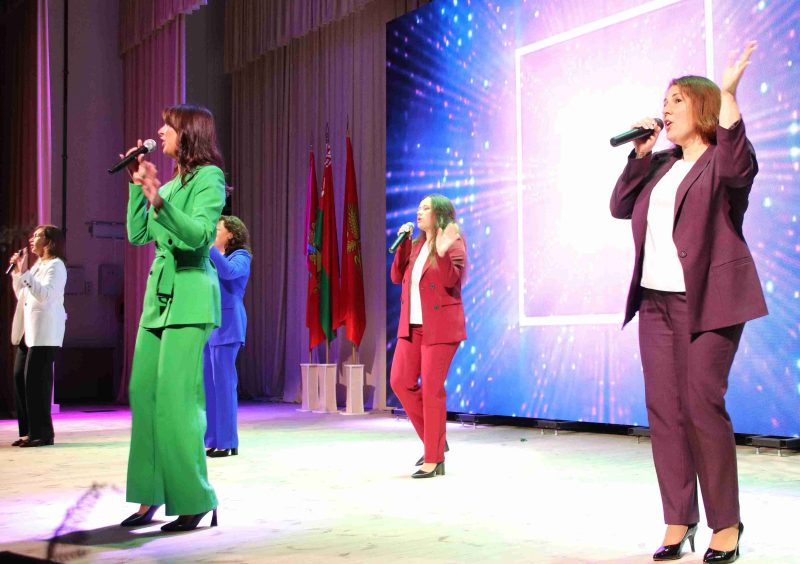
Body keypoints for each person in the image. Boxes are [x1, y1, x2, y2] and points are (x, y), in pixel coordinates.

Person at [610, 41, 766, 563]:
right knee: (665, 411)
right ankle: (679, 518)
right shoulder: (658, 165)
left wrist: (729, 95)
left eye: (677, 100)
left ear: (702, 108)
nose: (667, 108)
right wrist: (639, 153)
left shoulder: (723, 160)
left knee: (702, 403)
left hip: (709, 303)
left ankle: (727, 523)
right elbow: (619, 206)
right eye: (665, 101)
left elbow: (740, 168)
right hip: (656, 305)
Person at [119, 104, 226, 532]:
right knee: (143, 392)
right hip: (159, 298)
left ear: (189, 133)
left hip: (190, 293)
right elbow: (137, 234)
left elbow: (199, 235)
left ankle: (195, 497)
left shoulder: (209, 178)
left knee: (177, 400)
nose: (160, 131)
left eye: (169, 126)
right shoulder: (169, 183)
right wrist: (138, 189)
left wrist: (159, 200)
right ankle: (149, 495)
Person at [389, 194, 466, 479]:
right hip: (412, 326)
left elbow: (450, 280)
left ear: (440, 214)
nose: (419, 212)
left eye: (426, 208)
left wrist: (443, 251)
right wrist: (403, 245)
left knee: (432, 389)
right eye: (418, 207)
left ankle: (433, 459)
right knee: (399, 381)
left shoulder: (453, 241)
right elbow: (396, 277)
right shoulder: (417, 244)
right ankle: (435, 440)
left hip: (440, 327)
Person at [8, 225, 67, 448]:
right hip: (28, 331)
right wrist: (19, 272)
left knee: (36, 382)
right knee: (20, 378)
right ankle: (28, 432)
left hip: (45, 332)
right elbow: (23, 294)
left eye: (37, 236)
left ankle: (42, 434)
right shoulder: (38, 265)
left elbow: (45, 295)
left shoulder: (56, 266)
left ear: (49, 242)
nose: (32, 239)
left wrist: (25, 274)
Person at [204, 215, 251, 458]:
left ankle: (228, 441)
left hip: (228, 325)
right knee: (209, 387)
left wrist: (210, 249)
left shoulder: (241, 256)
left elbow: (230, 272)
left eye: (217, 229)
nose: (214, 232)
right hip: (210, 325)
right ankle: (213, 439)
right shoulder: (212, 258)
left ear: (231, 234)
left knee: (224, 386)